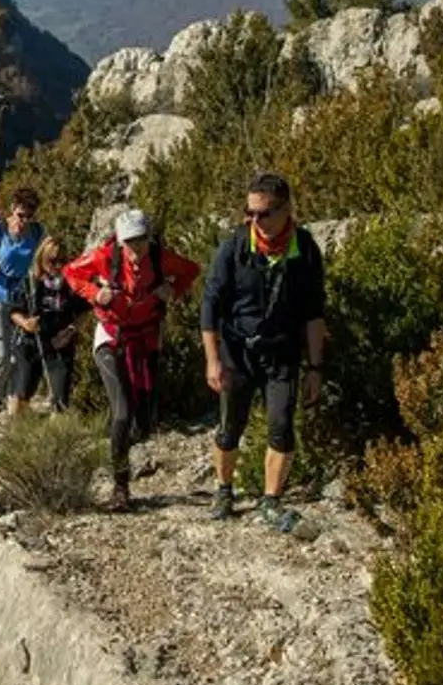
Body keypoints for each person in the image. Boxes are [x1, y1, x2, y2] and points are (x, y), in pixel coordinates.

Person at [200, 172, 327, 532]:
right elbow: (209, 305)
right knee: (230, 427)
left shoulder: (305, 249)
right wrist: (212, 360)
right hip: (237, 352)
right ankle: (224, 490)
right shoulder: (234, 247)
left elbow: (314, 313)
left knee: (282, 427)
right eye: (250, 213)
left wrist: (315, 367)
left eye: (264, 213)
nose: (255, 220)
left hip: (282, 353)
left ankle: (271, 500)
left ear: (286, 210)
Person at [65, 207, 202, 511]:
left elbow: (192, 270)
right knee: (122, 413)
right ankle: (120, 488)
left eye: (140, 240)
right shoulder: (104, 257)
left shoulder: (161, 258)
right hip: (111, 338)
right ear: (120, 241)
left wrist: (173, 289)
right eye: (129, 242)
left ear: (149, 237)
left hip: (147, 339)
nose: (135, 247)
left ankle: (126, 456)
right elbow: (71, 272)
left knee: (144, 420)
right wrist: (93, 292)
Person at [0, 187, 45, 416]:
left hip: (23, 299)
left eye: (29, 216)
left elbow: (44, 257)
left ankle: (14, 403)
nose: (24, 221)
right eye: (20, 215)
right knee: (2, 353)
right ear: (13, 209)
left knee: (18, 354)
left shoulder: (37, 232)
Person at [8, 235, 90, 414]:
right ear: (41, 258)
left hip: (60, 343)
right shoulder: (30, 282)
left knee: (60, 399)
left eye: (62, 260)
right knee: (22, 392)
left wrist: (70, 331)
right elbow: (14, 311)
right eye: (52, 261)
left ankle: (56, 428)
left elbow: (84, 312)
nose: (57, 265)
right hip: (31, 342)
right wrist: (26, 323)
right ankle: (16, 425)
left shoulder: (71, 284)